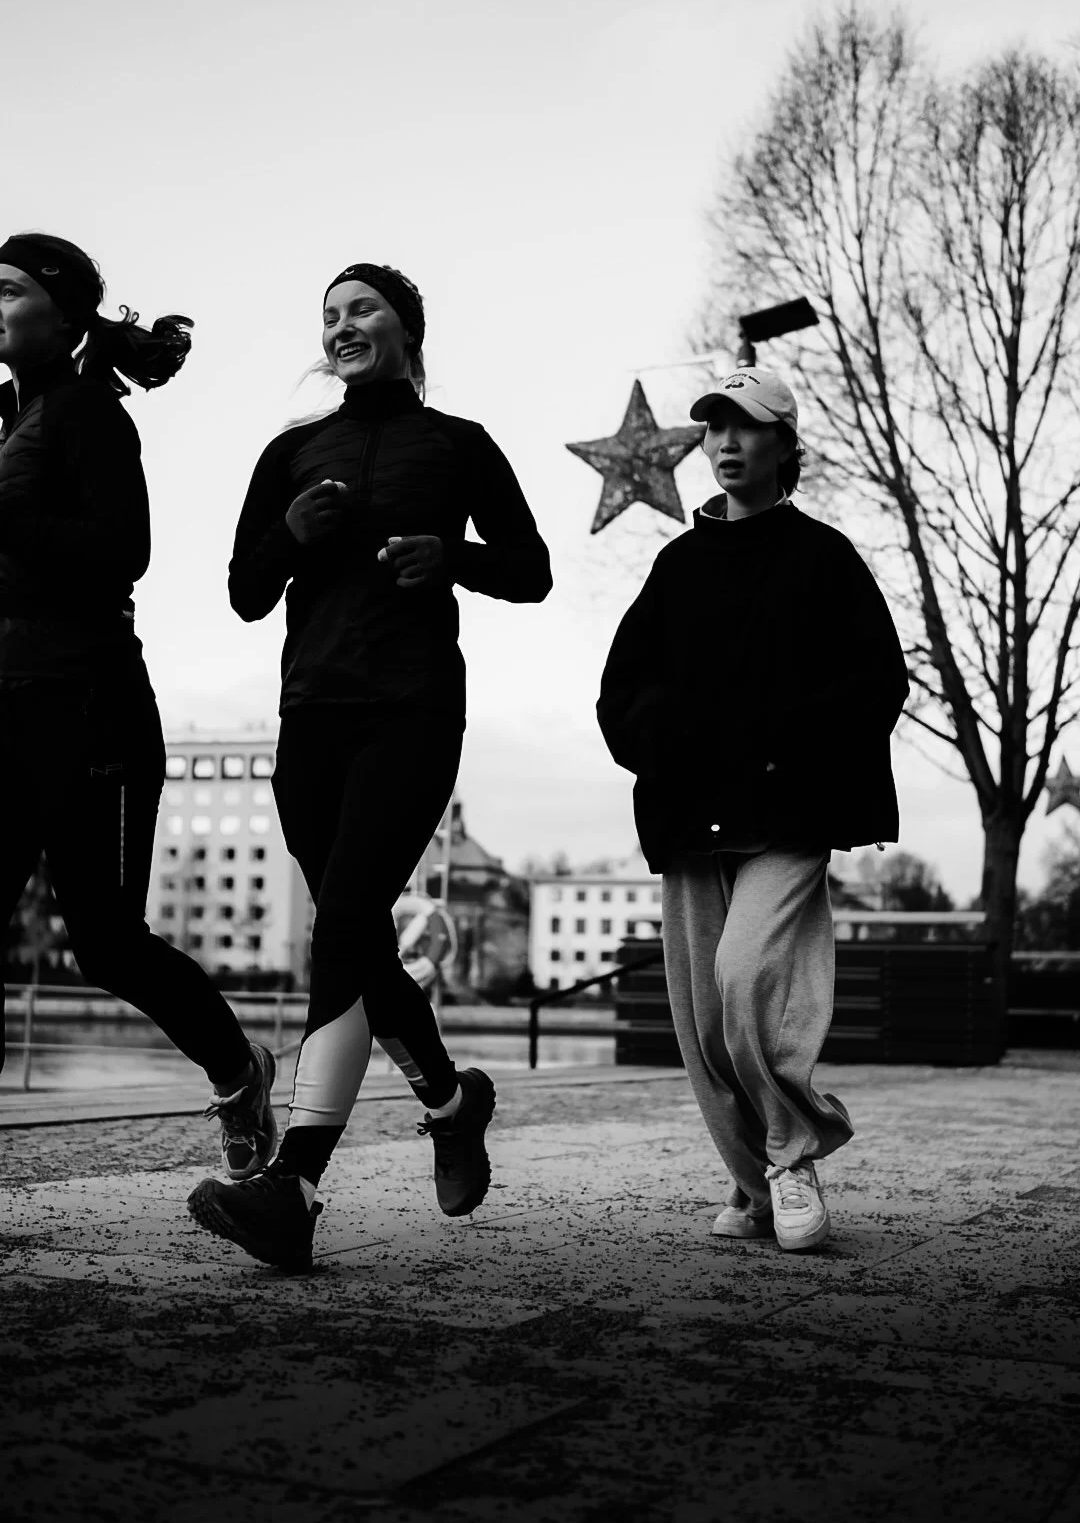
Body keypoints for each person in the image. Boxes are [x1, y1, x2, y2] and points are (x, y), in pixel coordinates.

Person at [188, 262, 552, 1271]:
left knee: (345, 924)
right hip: (310, 716)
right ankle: (450, 1096)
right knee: (356, 935)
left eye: (362, 310)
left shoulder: (460, 445)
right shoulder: (292, 450)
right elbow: (246, 590)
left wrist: (453, 554)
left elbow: (531, 569)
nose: (342, 326)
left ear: (407, 328)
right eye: (330, 316)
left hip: (414, 708)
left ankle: (293, 1185)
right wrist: (292, 533)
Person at [597, 368, 908, 1252]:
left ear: (785, 444)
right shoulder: (678, 564)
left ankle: (792, 1152)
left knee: (745, 979)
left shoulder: (825, 558)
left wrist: (783, 741)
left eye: (748, 427)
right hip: (691, 816)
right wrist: (665, 740)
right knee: (702, 1023)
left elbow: (879, 681)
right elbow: (623, 691)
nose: (727, 443)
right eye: (714, 429)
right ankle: (754, 1183)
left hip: (790, 811)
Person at [0, 233, 277, 1178]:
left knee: (108, 945)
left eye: (7, 290)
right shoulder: (12, 415)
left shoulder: (88, 415)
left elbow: (123, 550)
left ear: (64, 312)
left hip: (89, 713)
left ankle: (240, 1075)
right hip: (8, 708)